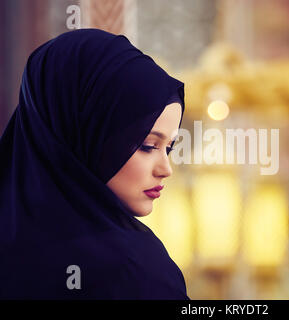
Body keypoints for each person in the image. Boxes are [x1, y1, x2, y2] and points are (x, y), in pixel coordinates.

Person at [0, 28, 189, 299]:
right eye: (148, 146)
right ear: (83, 133)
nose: (166, 169)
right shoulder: (135, 271)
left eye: (169, 148)